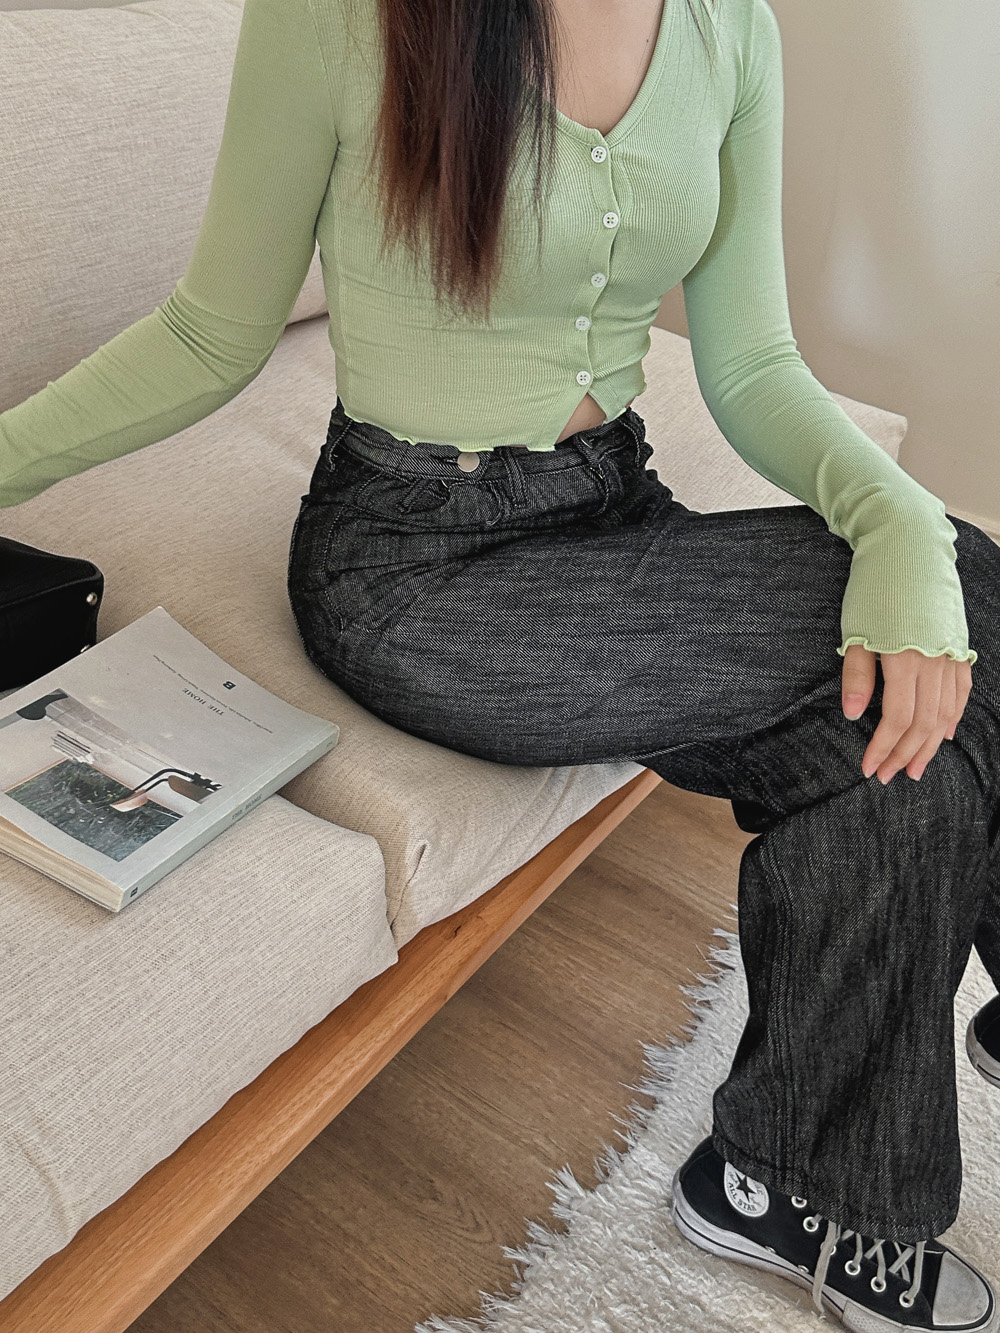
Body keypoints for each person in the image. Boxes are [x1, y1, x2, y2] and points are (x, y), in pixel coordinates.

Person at [2, 0, 999, 1326]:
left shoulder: (730, 29)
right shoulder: (338, 19)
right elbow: (209, 335)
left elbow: (754, 362)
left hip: (612, 504)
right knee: (971, 584)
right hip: (413, 568)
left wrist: (890, 520)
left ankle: (781, 1180)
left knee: (905, 731)